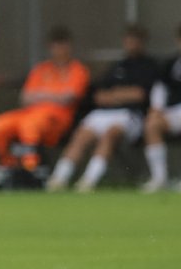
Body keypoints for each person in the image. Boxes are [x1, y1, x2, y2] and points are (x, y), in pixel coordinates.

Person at [45, 24, 158, 193]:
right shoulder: (117, 66)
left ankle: (88, 180)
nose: (131, 43)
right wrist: (121, 94)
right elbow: (99, 95)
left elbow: (141, 95)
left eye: (135, 40)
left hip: (130, 115)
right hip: (105, 113)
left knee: (110, 134)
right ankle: (59, 178)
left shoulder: (149, 66)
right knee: (82, 134)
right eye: (128, 39)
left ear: (142, 42)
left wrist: (115, 95)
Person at [0, 26, 90, 175]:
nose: (59, 50)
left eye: (62, 46)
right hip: (30, 113)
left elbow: (68, 98)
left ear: (69, 47)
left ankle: (30, 167)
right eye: (56, 46)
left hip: (57, 119)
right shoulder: (41, 69)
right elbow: (25, 97)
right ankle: (8, 164)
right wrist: (53, 95)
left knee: (30, 125)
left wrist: (41, 95)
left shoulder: (77, 70)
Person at [140, 24, 181, 193]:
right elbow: (160, 87)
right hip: (175, 111)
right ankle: (160, 178)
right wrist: (156, 109)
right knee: (152, 124)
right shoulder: (171, 63)